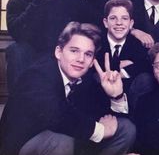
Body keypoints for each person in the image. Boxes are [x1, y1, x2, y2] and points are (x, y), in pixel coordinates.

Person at [0, 22, 136, 155]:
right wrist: (100, 131)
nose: (81, 59)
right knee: (61, 140)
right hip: (23, 144)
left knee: (125, 128)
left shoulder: (87, 78)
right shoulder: (38, 74)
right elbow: (57, 115)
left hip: (69, 141)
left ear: (91, 62)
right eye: (74, 51)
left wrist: (116, 96)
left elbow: (107, 118)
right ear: (59, 52)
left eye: (88, 54)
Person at [6, 0, 93, 92]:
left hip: (60, 59)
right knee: (16, 50)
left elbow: (95, 25)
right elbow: (19, 34)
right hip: (31, 59)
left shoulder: (73, 1)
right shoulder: (18, 1)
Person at [96, 0, 151, 96]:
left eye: (124, 18)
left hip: (126, 100)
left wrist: (125, 72)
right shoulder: (96, 43)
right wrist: (119, 67)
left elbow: (146, 65)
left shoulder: (138, 46)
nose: (119, 23)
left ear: (131, 24)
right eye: (113, 18)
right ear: (105, 22)